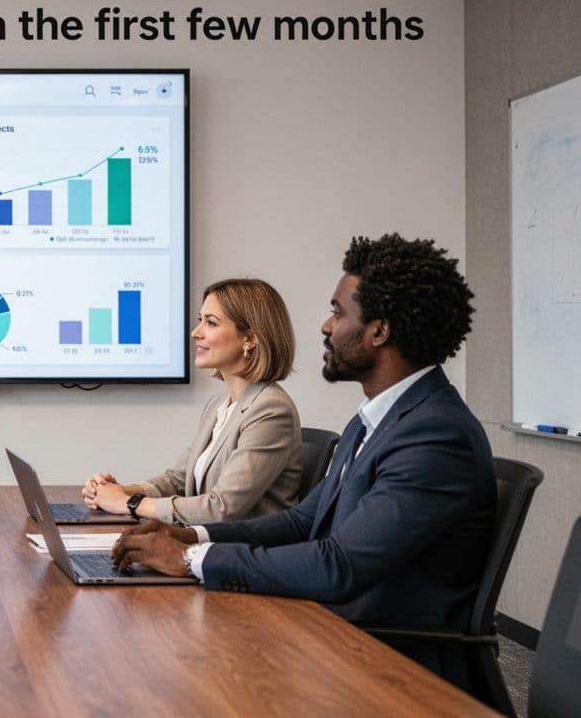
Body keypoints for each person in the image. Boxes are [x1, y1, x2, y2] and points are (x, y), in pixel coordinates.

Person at [111, 234, 495, 692]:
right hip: (332, 628)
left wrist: (191, 558)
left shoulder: (435, 435)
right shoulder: (375, 421)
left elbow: (340, 565)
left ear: (380, 331)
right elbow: (302, 521)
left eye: (338, 313)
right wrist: (192, 535)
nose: (326, 327)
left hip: (390, 665)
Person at [81, 278, 302, 524]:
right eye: (200, 320)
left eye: (211, 323)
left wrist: (128, 503)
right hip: (205, 541)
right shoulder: (219, 405)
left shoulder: (271, 410)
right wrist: (119, 491)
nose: (195, 333)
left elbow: (221, 508)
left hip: (243, 547)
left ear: (249, 339)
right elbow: (178, 480)